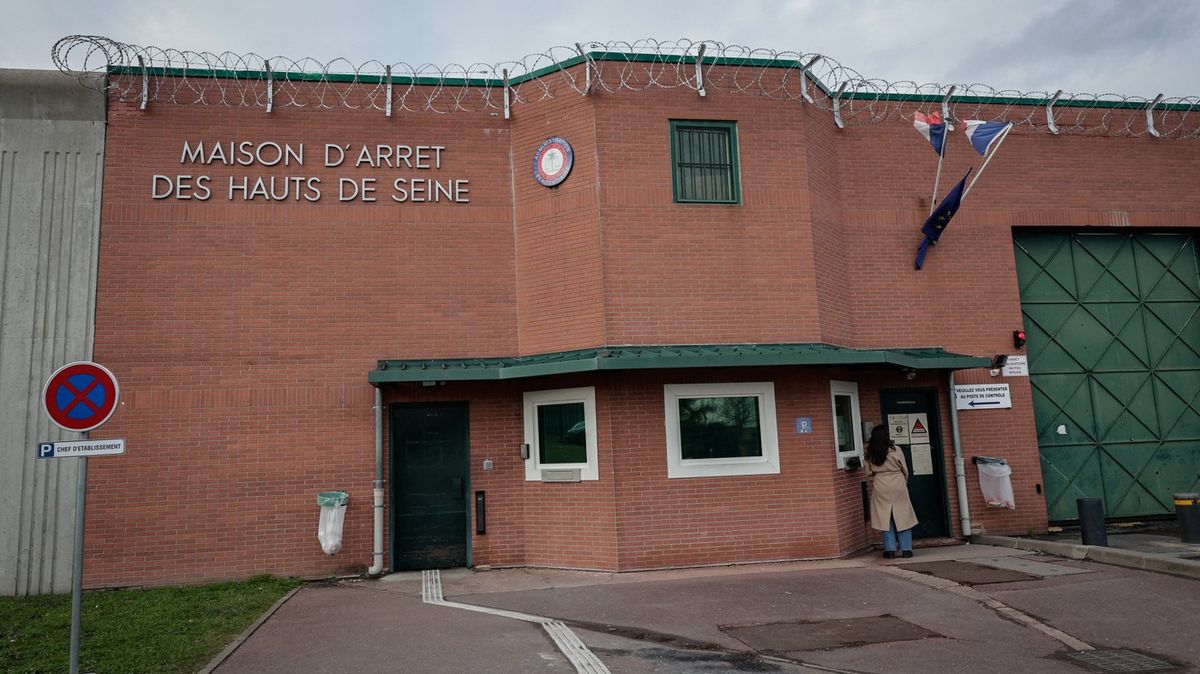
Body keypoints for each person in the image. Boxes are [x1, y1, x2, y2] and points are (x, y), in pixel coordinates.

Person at [866, 425, 918, 559]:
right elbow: (904, 469)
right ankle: (906, 549)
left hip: (880, 484)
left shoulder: (870, 452)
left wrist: (876, 479)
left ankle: (890, 550)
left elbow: (869, 472)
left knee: (885, 517)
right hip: (897, 482)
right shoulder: (896, 450)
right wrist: (903, 480)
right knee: (902, 515)